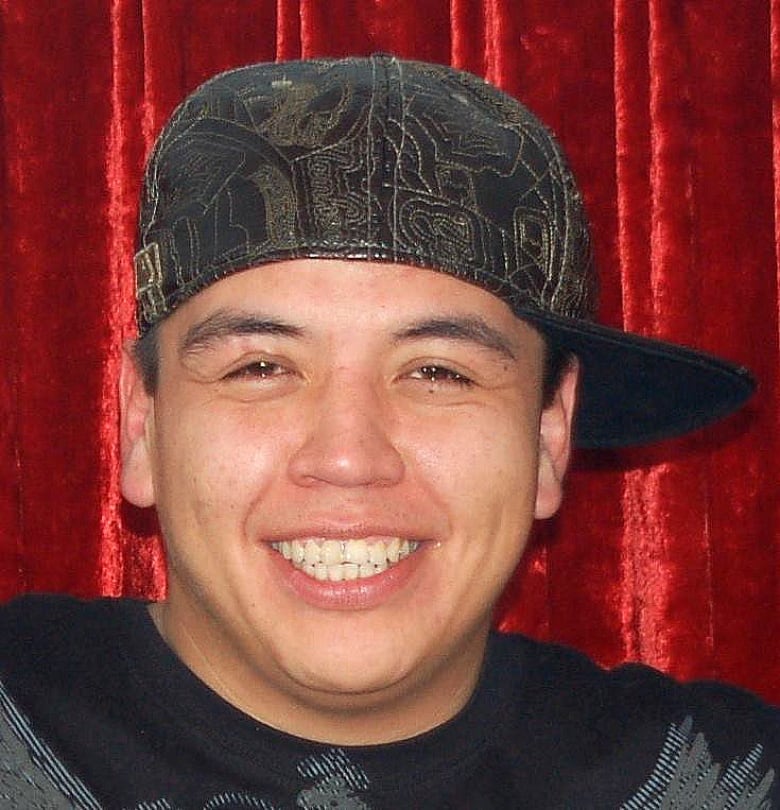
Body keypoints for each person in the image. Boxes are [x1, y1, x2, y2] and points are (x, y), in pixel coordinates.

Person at [0, 54, 776, 809]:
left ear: (548, 436)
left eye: (439, 372)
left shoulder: (724, 779)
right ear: (143, 425)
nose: (347, 458)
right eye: (260, 368)